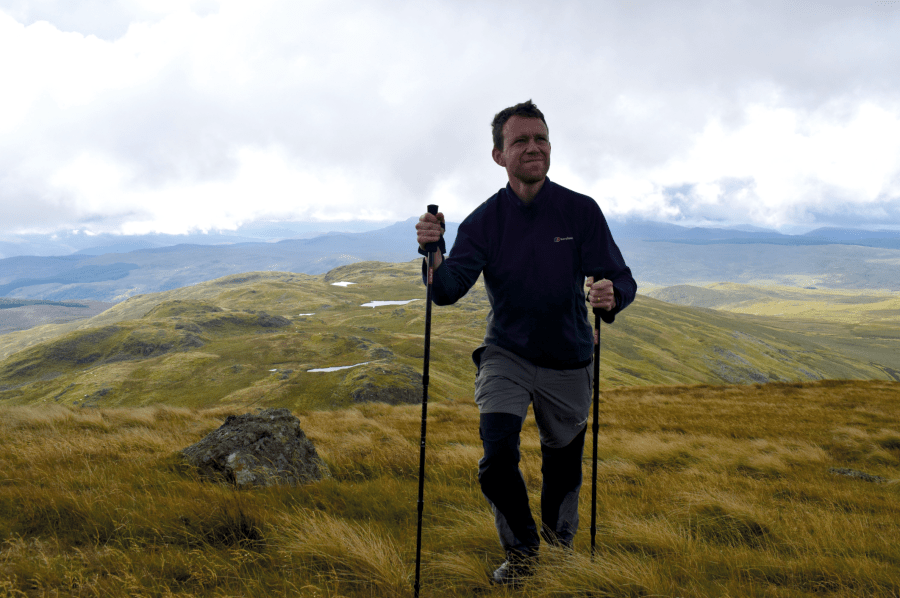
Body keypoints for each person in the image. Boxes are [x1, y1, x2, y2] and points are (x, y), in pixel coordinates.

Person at [415, 100, 636, 586]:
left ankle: (559, 556)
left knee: (562, 468)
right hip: (506, 355)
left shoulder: (580, 211)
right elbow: (446, 290)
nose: (533, 147)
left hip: (569, 358)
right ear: (499, 155)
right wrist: (433, 251)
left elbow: (621, 278)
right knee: (497, 461)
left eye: (540, 139)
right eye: (520, 141)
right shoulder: (485, 221)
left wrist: (611, 295)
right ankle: (522, 557)